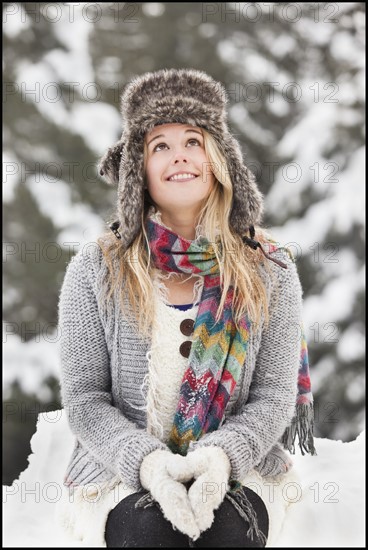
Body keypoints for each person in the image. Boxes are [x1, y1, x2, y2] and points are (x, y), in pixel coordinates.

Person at [56, 68, 316, 548]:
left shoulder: (270, 268)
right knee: (152, 533)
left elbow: (274, 397)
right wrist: (149, 465)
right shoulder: (96, 268)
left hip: (240, 468)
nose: (179, 155)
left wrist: (220, 460)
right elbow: (86, 401)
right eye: (159, 145)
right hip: (121, 472)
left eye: (192, 141)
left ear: (218, 159)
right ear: (140, 171)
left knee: (228, 534)